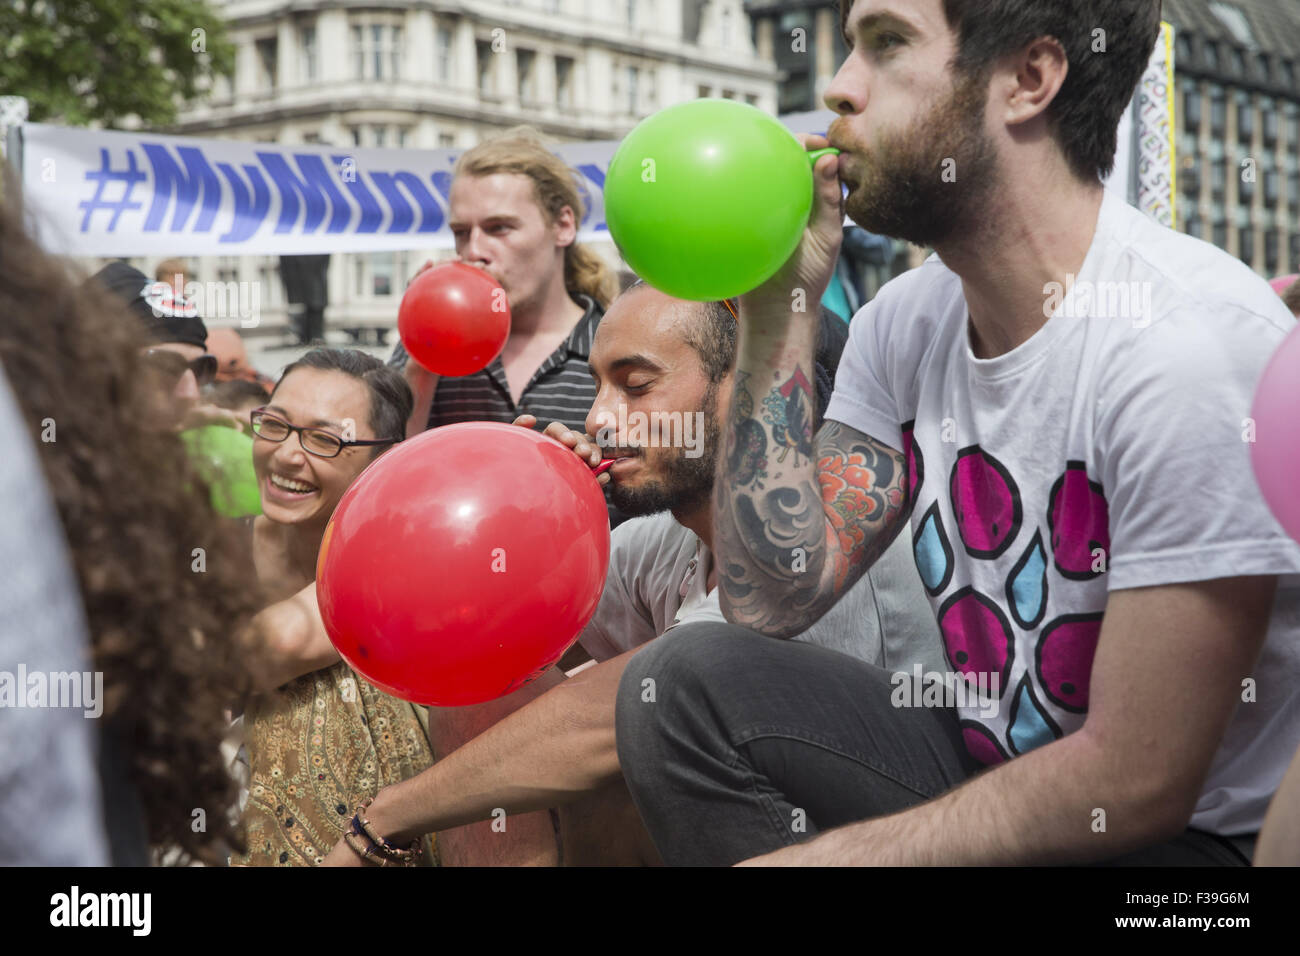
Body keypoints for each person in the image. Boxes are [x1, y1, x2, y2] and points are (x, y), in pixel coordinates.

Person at [613, 0, 1300, 866]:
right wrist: (776, 305)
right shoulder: (904, 320)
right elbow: (771, 597)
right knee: (680, 685)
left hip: (1187, 856)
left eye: (887, 45)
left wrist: (824, 862)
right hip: (1000, 766)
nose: (837, 86)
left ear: (1028, 80)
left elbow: (1137, 782)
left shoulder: (1190, 350)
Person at [322, 281, 941, 866]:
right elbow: (483, 640)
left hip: (913, 827)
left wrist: (378, 826)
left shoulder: (819, 534)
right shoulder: (665, 539)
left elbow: (605, 713)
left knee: (630, 724)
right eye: (598, 388)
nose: (598, 419)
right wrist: (533, 517)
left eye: (636, 386)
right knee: (487, 688)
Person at [1, 196, 261, 865]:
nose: (189, 394)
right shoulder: (31, 494)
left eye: (200, 369)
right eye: (159, 368)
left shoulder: (162, 497)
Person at [233, 348, 438, 866]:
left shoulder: (405, 562)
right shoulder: (206, 550)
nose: (286, 455)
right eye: (274, 425)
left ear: (382, 457)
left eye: (324, 439)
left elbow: (277, 645)